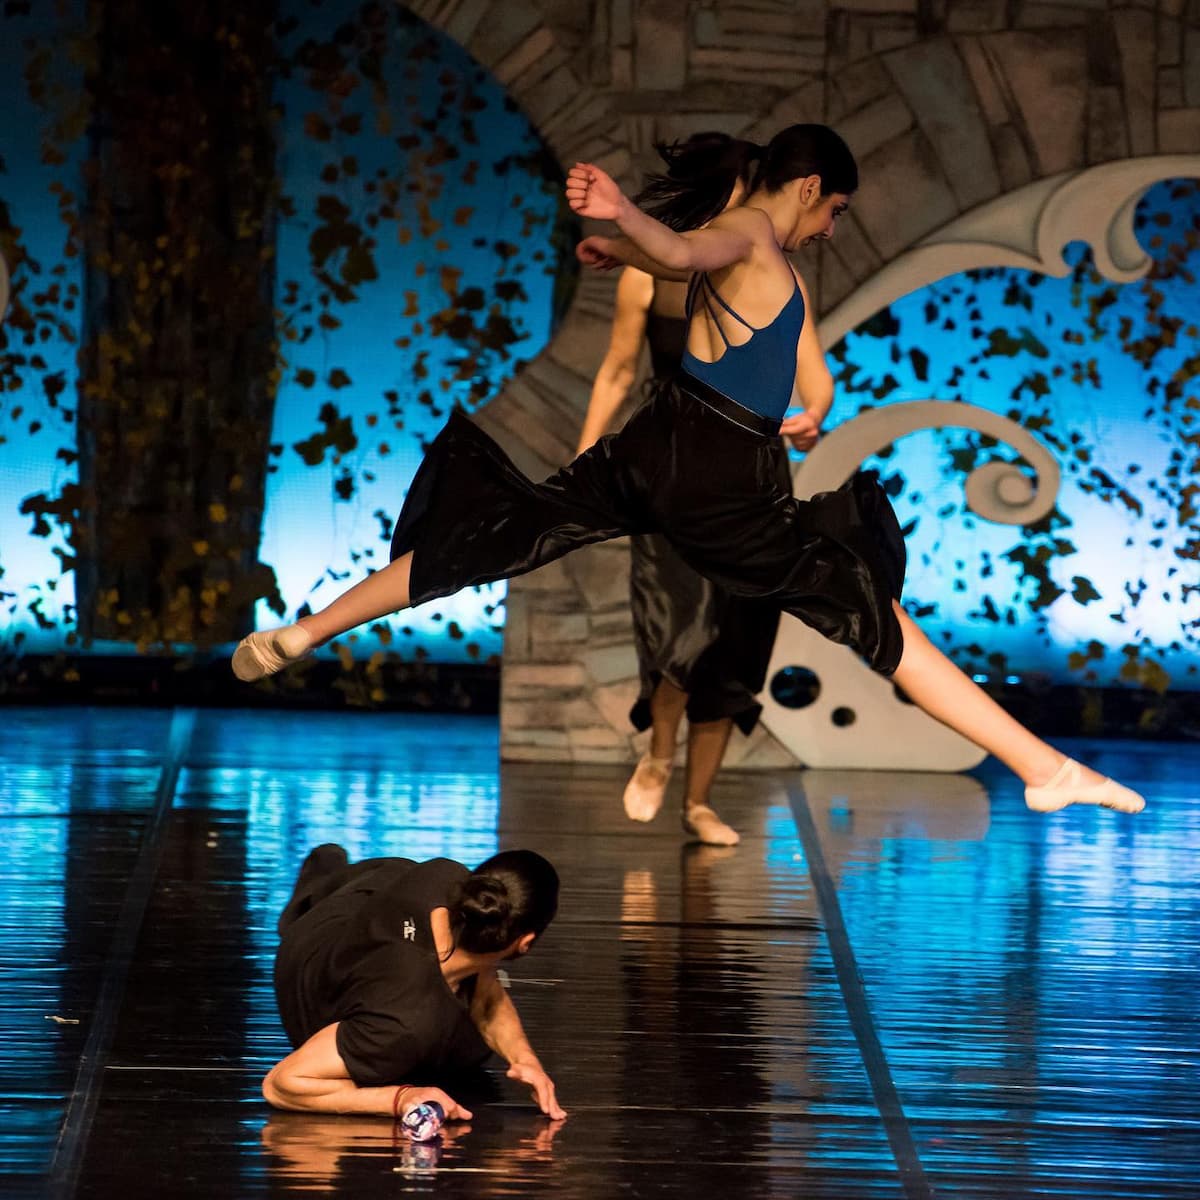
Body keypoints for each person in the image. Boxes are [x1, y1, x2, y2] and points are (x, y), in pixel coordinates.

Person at [231, 124, 1144, 816]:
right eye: (835, 211)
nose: (830, 229)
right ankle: (1042, 766)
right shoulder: (748, 233)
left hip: (659, 443)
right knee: (871, 613)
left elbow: (726, 308)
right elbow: (680, 253)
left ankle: (303, 634)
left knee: (501, 531)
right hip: (720, 477)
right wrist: (623, 217)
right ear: (811, 187)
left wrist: (620, 249)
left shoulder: (768, 259)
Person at [577, 132, 827, 847]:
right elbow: (618, 369)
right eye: (744, 189)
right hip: (675, 464)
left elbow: (814, 374)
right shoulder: (650, 272)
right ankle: (660, 752)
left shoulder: (778, 274)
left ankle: (698, 802)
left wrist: (812, 415)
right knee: (682, 623)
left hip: (751, 473)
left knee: (738, 635)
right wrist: (586, 454)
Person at [263, 844, 567, 1123]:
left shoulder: (447, 875)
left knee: (466, 1046)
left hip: (379, 899)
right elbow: (281, 1084)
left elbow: (486, 992)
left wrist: (524, 1059)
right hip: (312, 949)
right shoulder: (401, 1022)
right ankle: (320, 880)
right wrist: (399, 1098)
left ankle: (329, 870)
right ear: (525, 943)